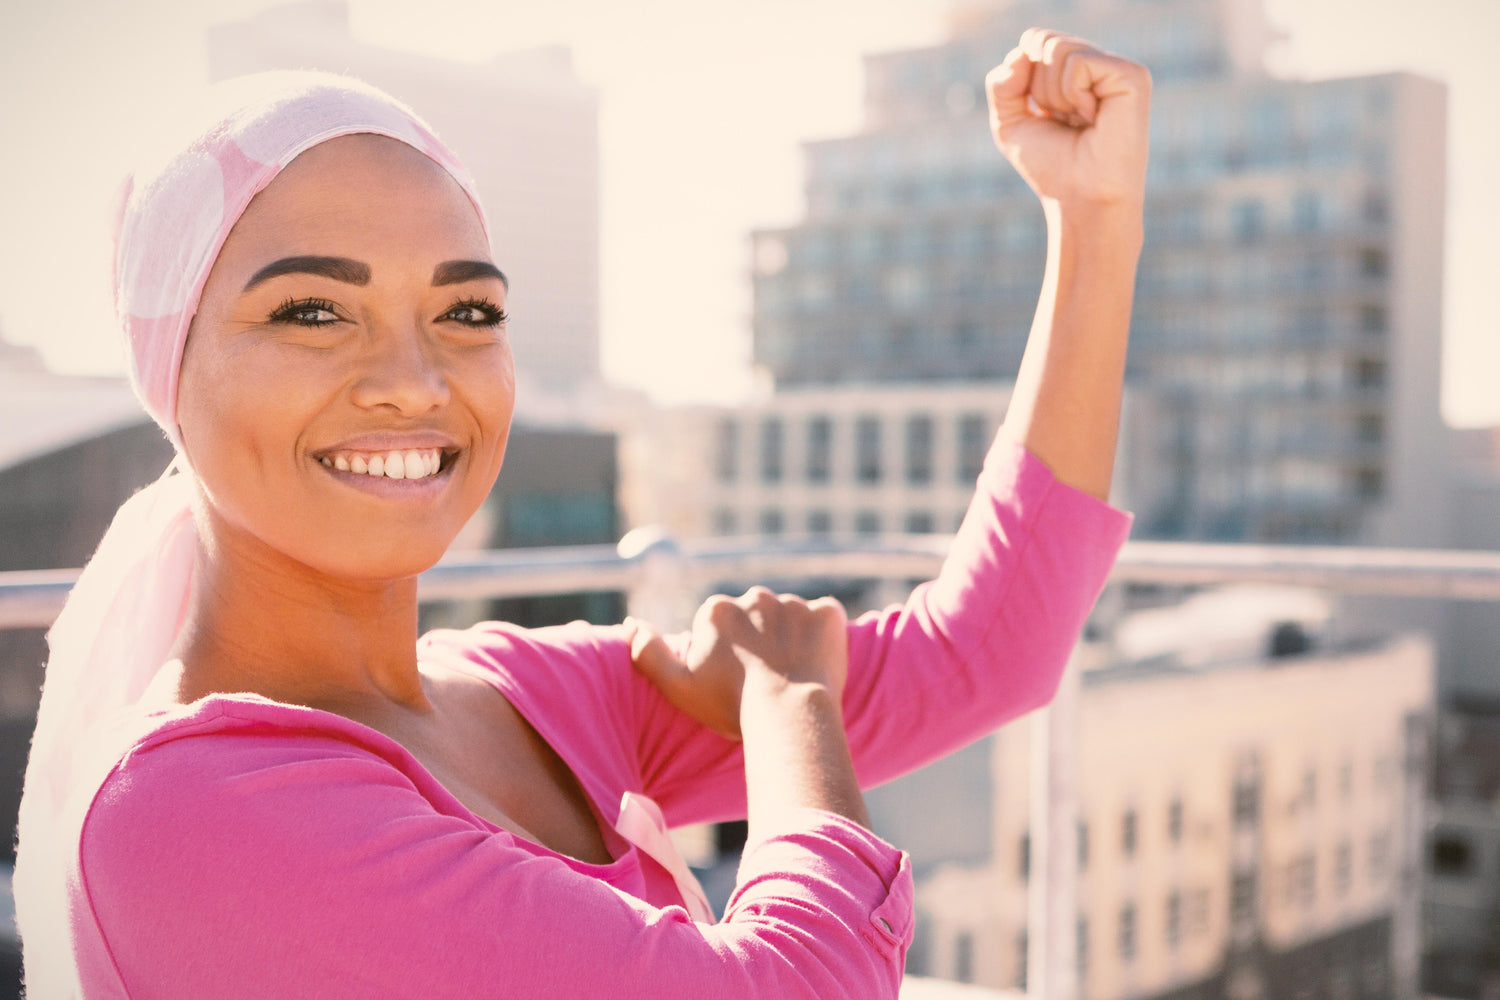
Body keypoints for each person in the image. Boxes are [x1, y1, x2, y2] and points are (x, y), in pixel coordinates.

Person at [14, 27, 1148, 1000]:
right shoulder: (193, 810)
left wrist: (1094, 218)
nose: (414, 381)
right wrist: (791, 701)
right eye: (312, 311)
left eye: (467, 311)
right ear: (170, 369)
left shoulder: (525, 693)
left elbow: (984, 652)